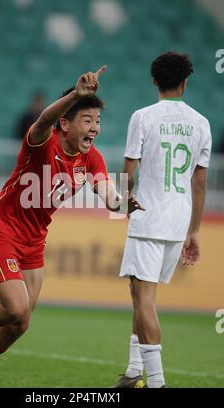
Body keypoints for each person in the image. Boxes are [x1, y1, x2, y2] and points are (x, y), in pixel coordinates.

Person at [0, 66, 143, 388]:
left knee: (20, 323)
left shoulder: (91, 159)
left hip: (34, 241)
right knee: (16, 306)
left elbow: (107, 192)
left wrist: (123, 202)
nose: (95, 128)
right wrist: (76, 94)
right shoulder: (42, 144)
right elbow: (42, 122)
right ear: (65, 123)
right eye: (87, 120)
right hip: (1, 230)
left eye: (98, 121)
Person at [112, 52, 212, 388]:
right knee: (138, 292)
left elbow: (129, 168)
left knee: (144, 299)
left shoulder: (142, 117)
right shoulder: (201, 123)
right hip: (179, 220)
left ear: (155, 81)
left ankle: (156, 383)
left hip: (148, 217)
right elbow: (200, 181)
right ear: (185, 82)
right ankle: (132, 371)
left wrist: (124, 205)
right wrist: (194, 230)